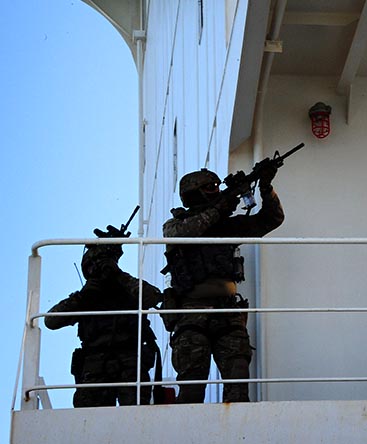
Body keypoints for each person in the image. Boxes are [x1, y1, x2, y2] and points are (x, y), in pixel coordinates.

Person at [162, 165, 284, 403]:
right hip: (191, 314)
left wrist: (266, 188)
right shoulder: (176, 224)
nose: (217, 191)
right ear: (194, 193)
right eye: (210, 188)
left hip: (228, 313)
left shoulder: (226, 226)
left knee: (238, 382)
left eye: (218, 187)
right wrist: (219, 209)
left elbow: (272, 219)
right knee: (192, 388)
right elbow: (182, 234)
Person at [45, 232, 162, 407]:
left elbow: (153, 297)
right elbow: (51, 321)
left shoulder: (129, 289)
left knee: (136, 414)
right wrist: (83, 297)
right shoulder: (86, 298)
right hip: (94, 363)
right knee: (90, 419)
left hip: (131, 360)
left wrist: (120, 276)